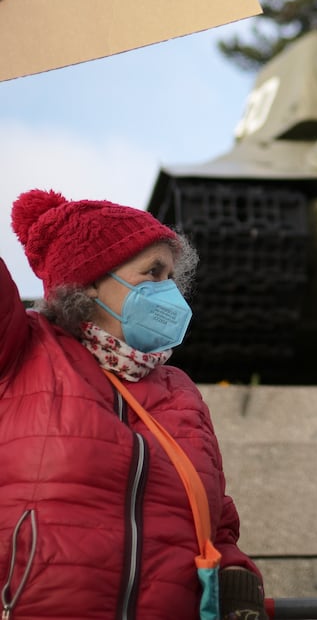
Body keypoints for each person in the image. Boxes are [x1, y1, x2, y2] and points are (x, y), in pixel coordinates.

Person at [1, 189, 268, 620]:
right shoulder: (22, 352)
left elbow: (212, 519)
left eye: (171, 277)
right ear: (89, 280)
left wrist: (235, 577)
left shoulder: (178, 392)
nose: (170, 292)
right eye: (153, 273)